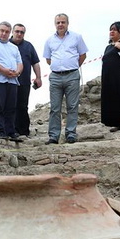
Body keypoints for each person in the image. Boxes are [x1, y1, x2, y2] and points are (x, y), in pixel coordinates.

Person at [42, 13, 88, 144]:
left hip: (72, 75)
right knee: (54, 107)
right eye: (58, 22)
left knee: (72, 106)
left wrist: (72, 66)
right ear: (55, 24)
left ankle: (71, 134)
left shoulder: (77, 37)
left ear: (67, 23)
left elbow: (83, 55)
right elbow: (48, 59)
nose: (60, 25)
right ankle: (53, 136)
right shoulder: (49, 40)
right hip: (56, 76)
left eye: (63, 22)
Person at [10, 23, 41, 137]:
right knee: (10, 106)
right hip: (8, 81)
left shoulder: (28, 46)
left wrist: (38, 77)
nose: (19, 34)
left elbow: (35, 63)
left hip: (24, 82)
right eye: (17, 31)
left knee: (23, 106)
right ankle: (11, 130)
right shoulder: (5, 44)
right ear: (12, 32)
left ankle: (24, 131)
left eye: (21, 32)